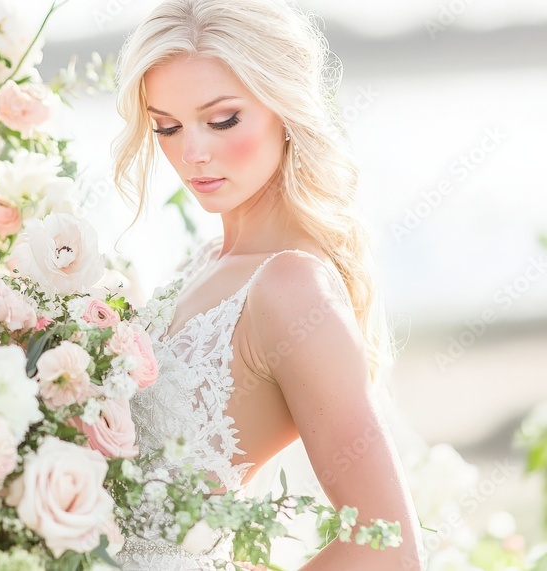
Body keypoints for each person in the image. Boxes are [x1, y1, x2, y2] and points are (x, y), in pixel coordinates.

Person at [109, 0, 424, 568]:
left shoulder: (290, 286)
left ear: (285, 107)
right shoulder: (197, 264)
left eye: (222, 120)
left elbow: (390, 550)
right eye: (167, 127)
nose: (192, 153)